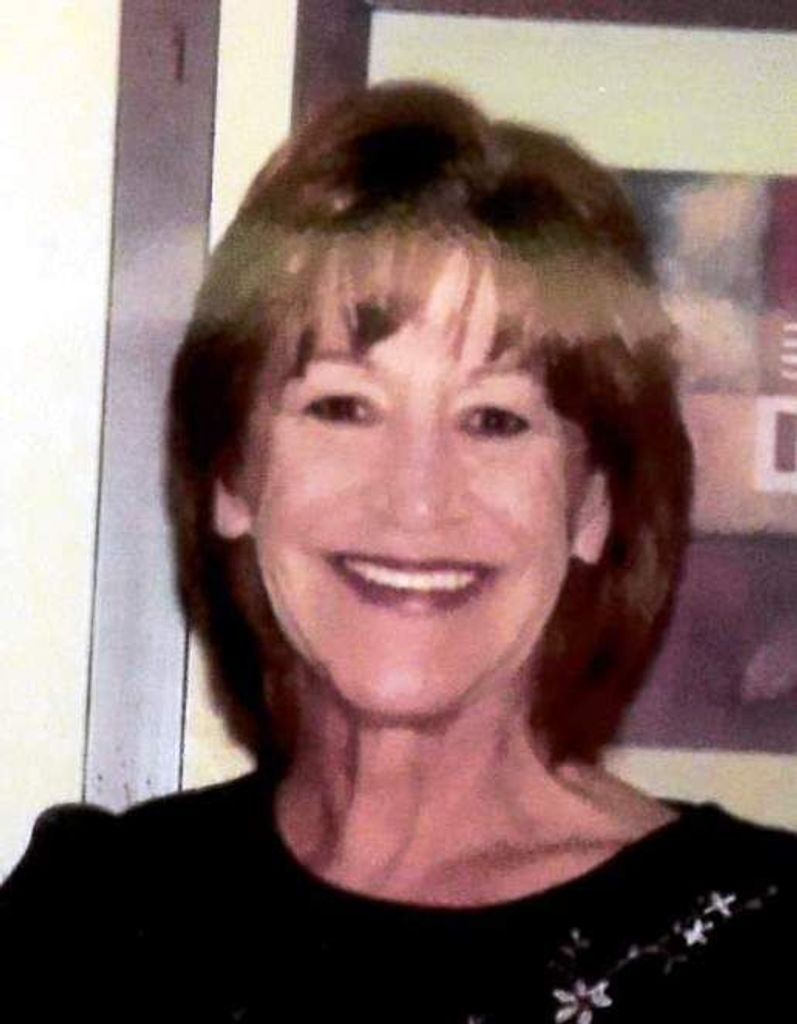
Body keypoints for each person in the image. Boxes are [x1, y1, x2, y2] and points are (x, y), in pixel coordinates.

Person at [2, 81, 795, 1023]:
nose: (416, 496)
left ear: (591, 507)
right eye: (343, 406)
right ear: (232, 476)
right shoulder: (92, 915)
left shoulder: (763, 951)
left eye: (494, 419)